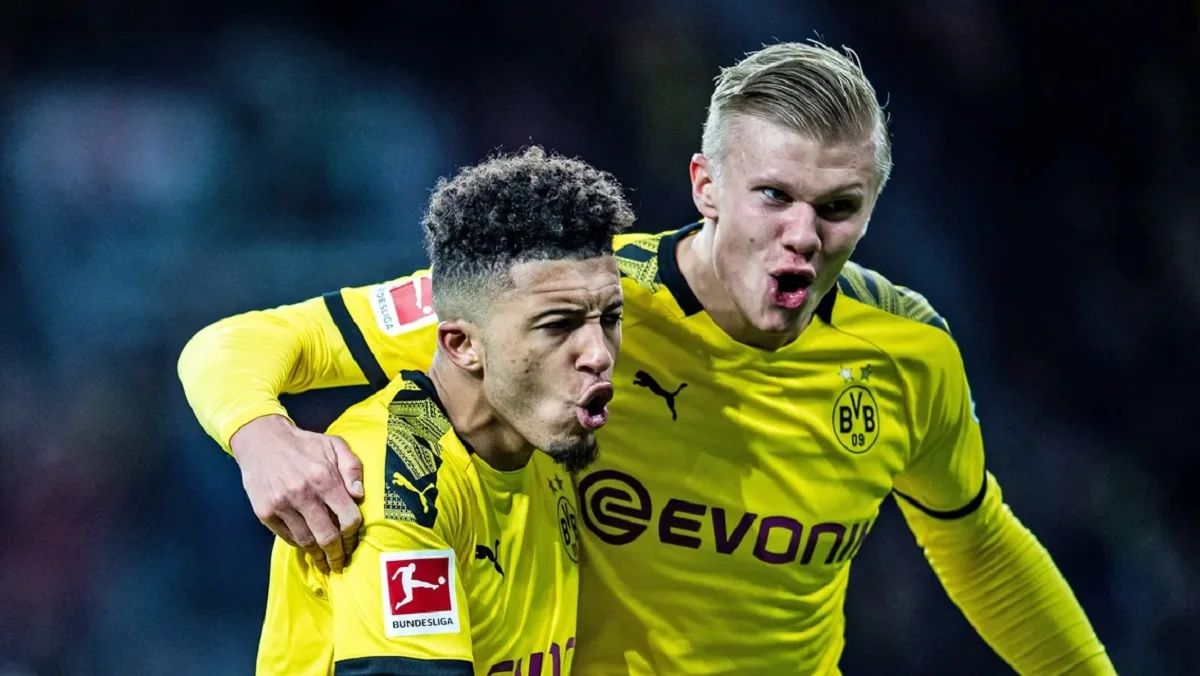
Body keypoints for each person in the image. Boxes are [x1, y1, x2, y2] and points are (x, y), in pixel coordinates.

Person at [179, 42, 1115, 674]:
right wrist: (260, 435)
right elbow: (246, 340)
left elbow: (978, 542)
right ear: (706, 185)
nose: (803, 235)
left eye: (838, 208)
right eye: (774, 196)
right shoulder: (570, 296)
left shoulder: (909, 354)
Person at [239, 147, 632, 675]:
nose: (598, 355)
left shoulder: (537, 429)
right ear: (462, 345)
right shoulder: (395, 483)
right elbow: (228, 343)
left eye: (610, 318)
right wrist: (258, 434)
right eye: (557, 325)